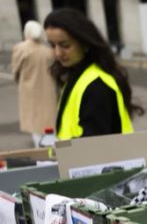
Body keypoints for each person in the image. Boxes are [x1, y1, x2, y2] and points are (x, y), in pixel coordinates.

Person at [44, 9, 140, 140]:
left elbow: (94, 150)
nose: (58, 53)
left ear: (84, 42)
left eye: (65, 45)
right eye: (52, 45)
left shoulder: (96, 86)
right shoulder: (79, 75)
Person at [11, 20, 57, 147]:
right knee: (48, 118)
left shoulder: (20, 48)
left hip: (28, 89)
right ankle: (50, 144)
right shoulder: (48, 51)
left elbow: (15, 71)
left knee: (34, 119)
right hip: (48, 89)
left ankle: (39, 146)